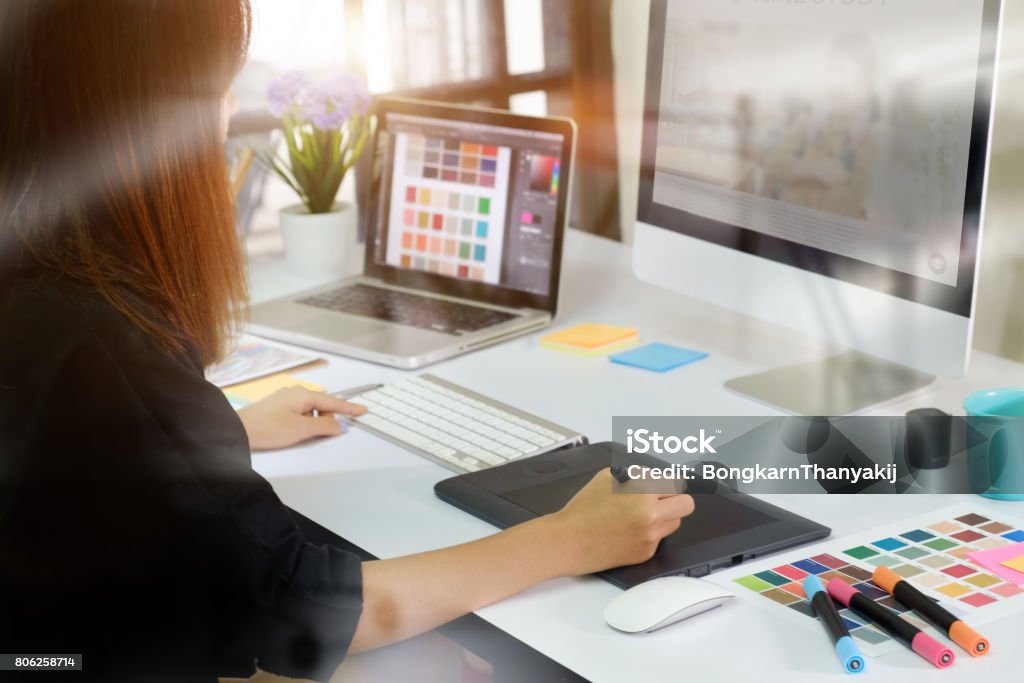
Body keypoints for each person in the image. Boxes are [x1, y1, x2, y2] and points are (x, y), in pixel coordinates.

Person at [0, 2, 695, 681]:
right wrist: (566, 539)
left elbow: (62, 448)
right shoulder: (108, 328)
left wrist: (211, 432)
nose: (225, 114)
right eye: (216, 88)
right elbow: (305, 608)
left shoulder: (40, 267)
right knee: (438, 662)